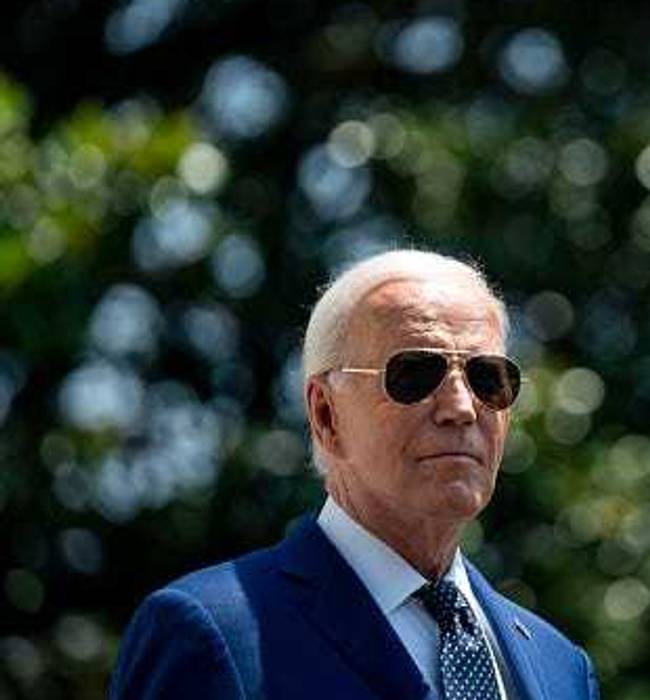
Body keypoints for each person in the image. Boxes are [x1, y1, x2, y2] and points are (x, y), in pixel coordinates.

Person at [109, 249, 600, 700]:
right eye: (414, 374)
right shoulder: (214, 634)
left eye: (487, 378)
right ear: (326, 415)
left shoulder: (560, 666)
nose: (460, 408)